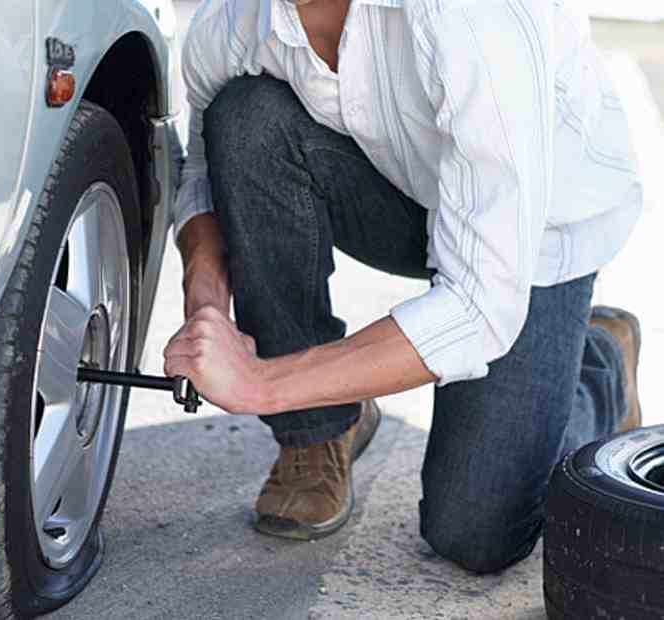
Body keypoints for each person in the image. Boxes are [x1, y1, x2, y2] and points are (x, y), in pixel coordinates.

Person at [163, 0, 643, 573]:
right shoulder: (236, 20)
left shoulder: (475, 18)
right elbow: (203, 166)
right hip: (409, 184)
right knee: (242, 118)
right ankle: (316, 431)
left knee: (476, 530)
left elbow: (479, 306)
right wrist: (207, 302)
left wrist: (261, 383)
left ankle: (599, 364)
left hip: (533, 232)